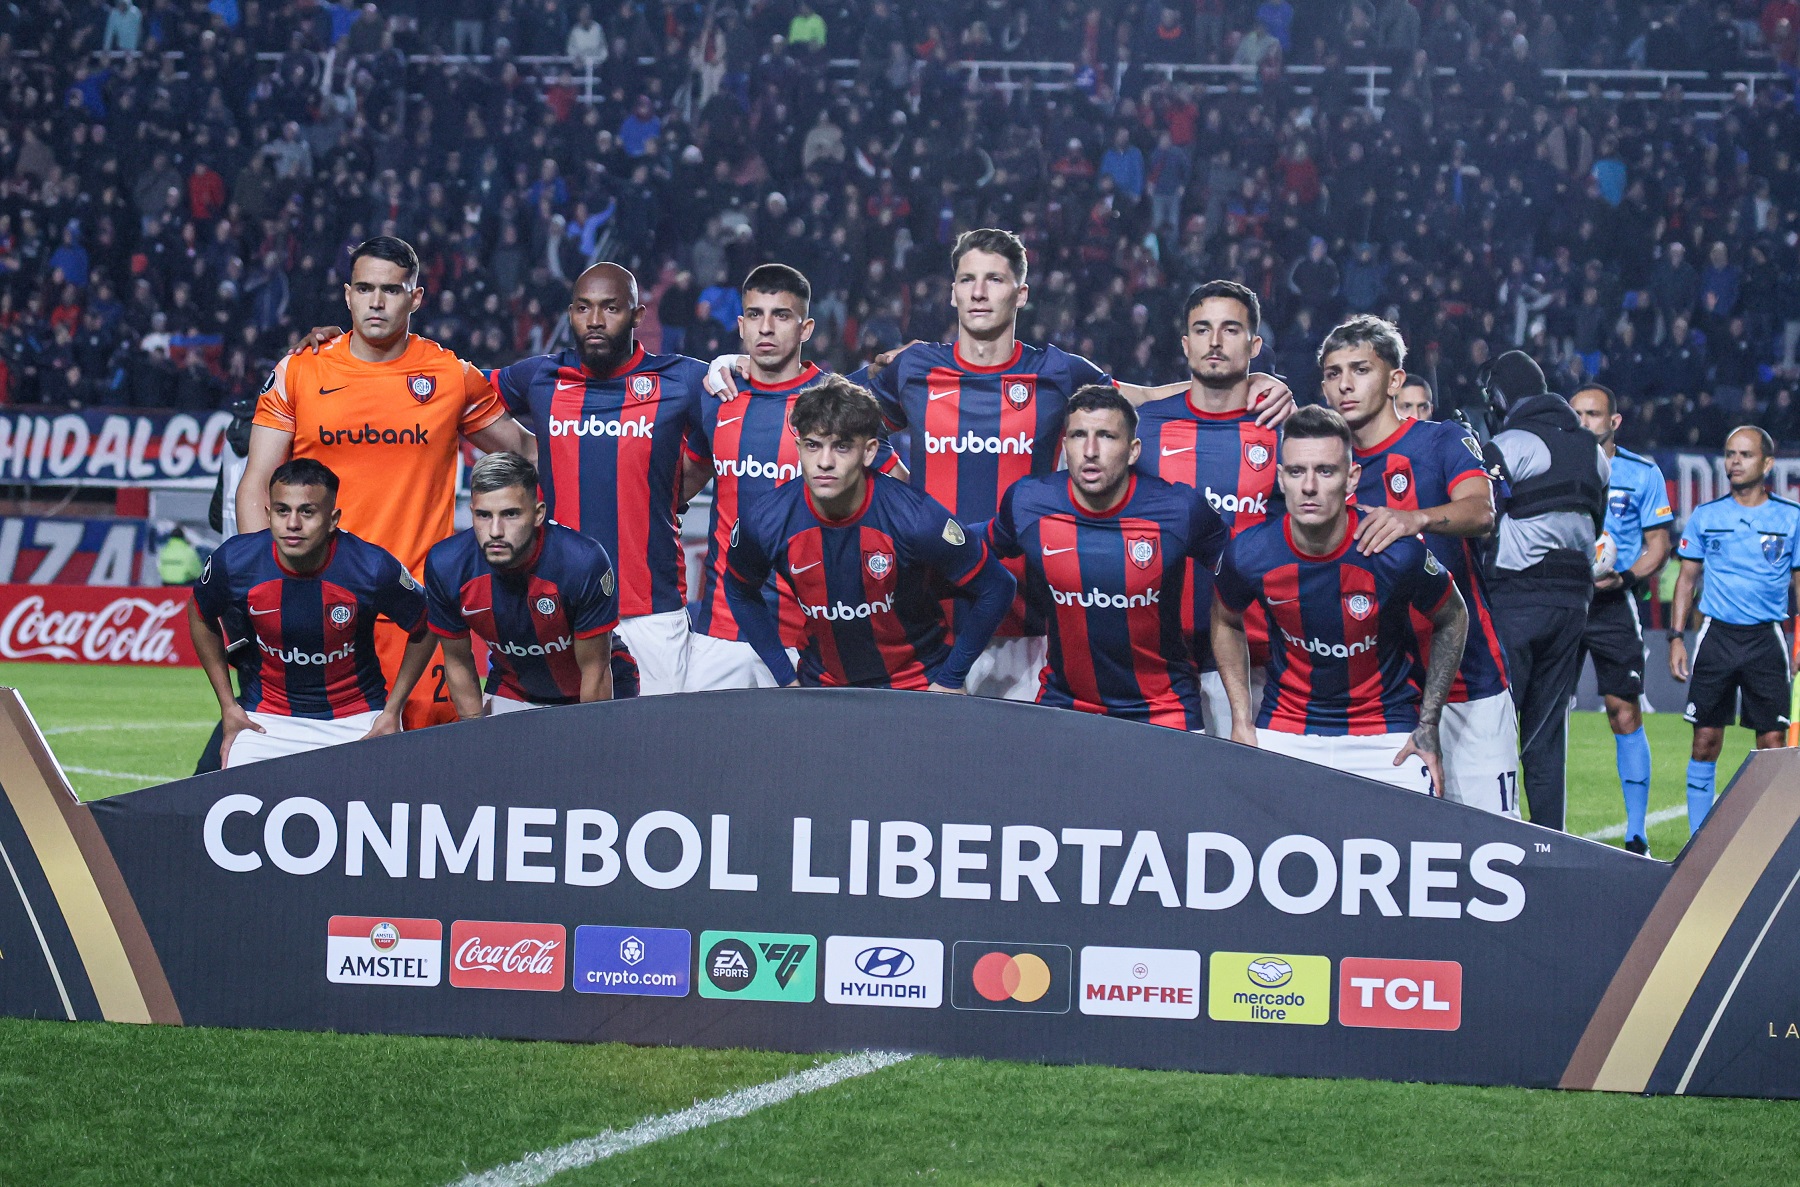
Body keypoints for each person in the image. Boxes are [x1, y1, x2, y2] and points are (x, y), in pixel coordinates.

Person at [709, 228, 1295, 700]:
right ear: (954, 293)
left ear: (1021, 294)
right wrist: (741, 365)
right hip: (930, 624)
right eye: (968, 279)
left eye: (996, 279)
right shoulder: (913, 369)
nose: (981, 291)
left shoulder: (1059, 372)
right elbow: (822, 404)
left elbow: (1139, 401)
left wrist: (1246, 384)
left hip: (1034, 619)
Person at [242, 236, 536, 730]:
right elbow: (258, 481)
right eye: (365, 288)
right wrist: (257, 583)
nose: (377, 302)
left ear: (415, 298)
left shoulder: (450, 376)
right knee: (313, 770)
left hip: (420, 612)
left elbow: (527, 452)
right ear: (347, 295)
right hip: (315, 605)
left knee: (431, 770)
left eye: (392, 290)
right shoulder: (299, 370)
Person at [1318, 315, 1518, 817]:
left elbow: (1482, 511)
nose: (1344, 383)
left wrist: (1417, 519)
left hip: (1470, 685)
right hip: (1383, 696)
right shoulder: (1326, 470)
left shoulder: (1440, 440)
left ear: (1395, 380)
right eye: (1332, 372)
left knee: (1493, 843)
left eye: (1360, 369)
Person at [1212, 405, 1469, 794]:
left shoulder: (1394, 552)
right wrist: (1241, 719)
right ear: (1281, 478)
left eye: (1325, 471)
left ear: (1351, 479)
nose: (1309, 487)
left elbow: (1454, 616)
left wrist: (1429, 724)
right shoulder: (1250, 554)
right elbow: (1224, 619)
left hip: (1387, 736)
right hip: (1286, 729)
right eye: (1297, 472)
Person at [492, 262, 712, 695]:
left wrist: (667, 493)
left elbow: (730, 427)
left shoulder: (683, 380)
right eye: (582, 308)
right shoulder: (540, 376)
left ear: (637, 315)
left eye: (610, 308)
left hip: (650, 611)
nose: (594, 321)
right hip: (558, 607)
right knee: (552, 752)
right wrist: (338, 349)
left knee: (653, 750)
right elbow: (452, 392)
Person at [686, 264, 904, 690]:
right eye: (755, 314)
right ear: (741, 324)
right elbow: (679, 487)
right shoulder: (716, 396)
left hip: (812, 637)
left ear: (805, 328)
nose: (766, 328)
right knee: (704, 755)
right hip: (719, 634)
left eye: (781, 316)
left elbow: (900, 495)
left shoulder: (835, 402)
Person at [725, 376, 1015, 690]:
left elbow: (997, 586)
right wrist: (785, 676)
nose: (824, 462)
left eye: (842, 446)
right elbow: (739, 590)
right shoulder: (766, 520)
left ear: (869, 451)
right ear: (799, 447)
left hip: (917, 684)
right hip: (822, 687)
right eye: (813, 445)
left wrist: (951, 678)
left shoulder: (916, 518)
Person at [989, 384, 1227, 728]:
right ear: (1065, 445)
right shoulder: (1028, 503)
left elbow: (1241, 569)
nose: (1089, 450)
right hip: (1063, 704)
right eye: (1078, 435)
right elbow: (976, 550)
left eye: (1106, 436)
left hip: (1163, 710)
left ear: (1132, 451)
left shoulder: (1179, 510)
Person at [190, 459, 435, 768]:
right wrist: (229, 706)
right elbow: (199, 614)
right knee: (231, 806)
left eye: (307, 512)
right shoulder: (236, 561)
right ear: (269, 515)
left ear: (332, 519)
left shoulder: (371, 567)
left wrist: (392, 711)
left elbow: (426, 623)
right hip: (266, 720)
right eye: (282, 511)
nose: (293, 524)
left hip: (356, 719)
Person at [1132, 280, 1281, 737]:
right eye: (1202, 329)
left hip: (1255, 662)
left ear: (1254, 345)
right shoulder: (1142, 424)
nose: (1215, 342)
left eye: (1230, 330)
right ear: (1185, 343)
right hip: (1157, 663)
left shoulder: (1284, 429)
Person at [1484, 351, 1609, 831]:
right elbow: (1591, 524)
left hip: (1516, 597)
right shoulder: (1593, 452)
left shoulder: (1511, 442)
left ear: (1501, 397)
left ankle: (1495, 835)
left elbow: (1480, 516)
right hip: (1574, 605)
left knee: (1495, 725)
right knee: (1547, 733)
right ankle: (1549, 841)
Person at [1669, 426, 1800, 833]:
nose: (1735, 462)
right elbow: (1686, 580)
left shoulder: (1791, 518)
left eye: (1744, 454)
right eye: (1730, 454)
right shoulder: (1707, 517)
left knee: (1773, 746)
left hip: (1766, 640)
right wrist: (1676, 638)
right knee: (1705, 741)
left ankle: (1768, 843)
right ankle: (1697, 843)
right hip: (1718, 637)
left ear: (1767, 463)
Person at [425, 452, 624, 717]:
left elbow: (595, 670)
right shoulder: (446, 565)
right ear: (471, 512)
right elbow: (458, 660)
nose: (495, 531)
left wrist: (588, 744)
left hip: (596, 693)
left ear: (538, 514)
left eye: (510, 514)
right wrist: (473, 734)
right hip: (513, 691)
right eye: (484, 516)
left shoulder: (582, 562)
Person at [1571, 384, 1673, 854]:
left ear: (1614, 422)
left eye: (1593, 413)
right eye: (1576, 413)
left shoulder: (1642, 472)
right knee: (1543, 716)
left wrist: (1627, 577)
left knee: (1624, 712)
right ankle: (1538, 825)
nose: (1583, 420)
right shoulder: (1555, 463)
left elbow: (1660, 547)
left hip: (1613, 605)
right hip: (1562, 600)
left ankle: (1636, 834)